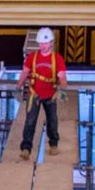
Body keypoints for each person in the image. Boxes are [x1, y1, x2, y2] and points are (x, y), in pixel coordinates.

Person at [19, 26, 66, 161]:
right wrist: (18, 86)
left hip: (50, 96)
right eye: (40, 43)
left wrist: (62, 89)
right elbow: (25, 72)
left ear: (51, 42)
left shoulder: (57, 59)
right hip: (34, 94)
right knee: (30, 121)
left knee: (52, 121)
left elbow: (62, 76)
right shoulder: (32, 58)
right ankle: (26, 148)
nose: (42, 45)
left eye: (44, 43)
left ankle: (53, 144)